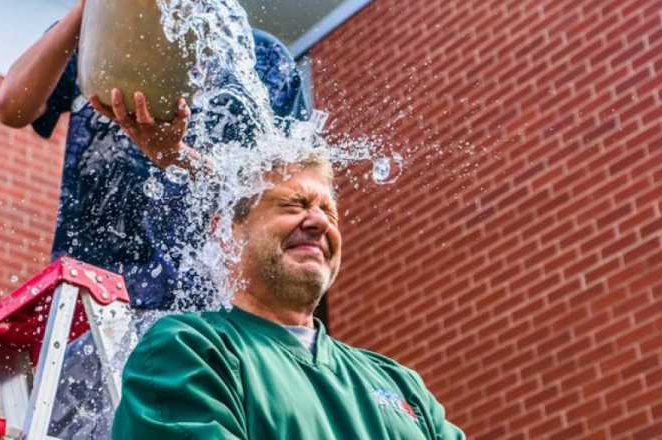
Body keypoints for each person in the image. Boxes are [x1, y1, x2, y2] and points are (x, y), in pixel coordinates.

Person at [0, 2, 311, 438]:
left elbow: (286, 190)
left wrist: (178, 159)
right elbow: (12, 106)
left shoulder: (266, 61)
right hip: (96, 308)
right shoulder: (100, 33)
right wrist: (86, 11)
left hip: (215, 311)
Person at [113, 157, 466, 439]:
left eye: (329, 212)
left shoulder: (400, 383)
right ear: (226, 233)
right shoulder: (191, 350)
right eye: (293, 205)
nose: (318, 222)